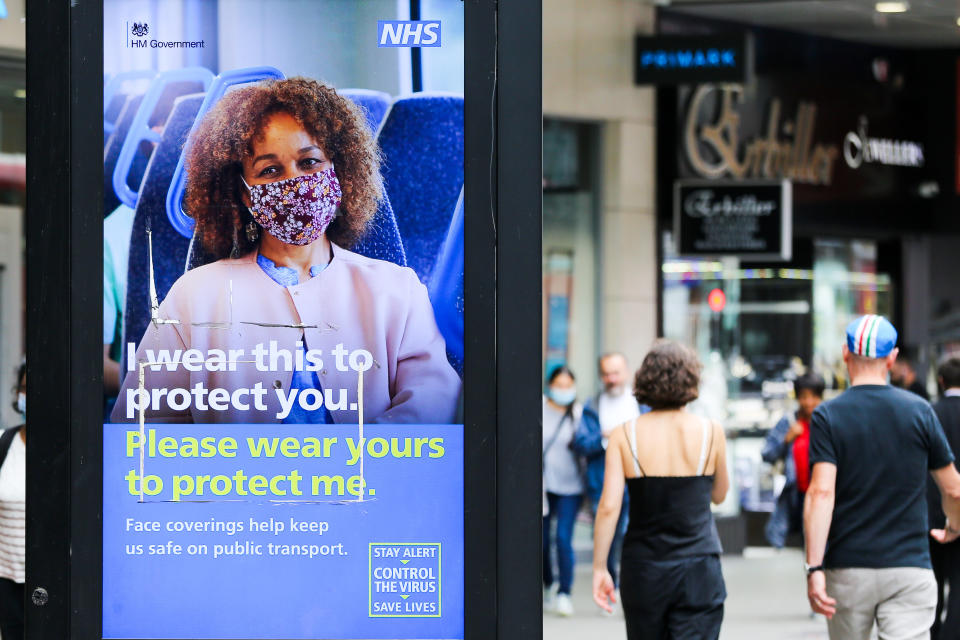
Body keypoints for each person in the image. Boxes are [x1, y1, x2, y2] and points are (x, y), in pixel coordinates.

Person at [111, 78, 461, 424]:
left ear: (338, 173)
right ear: (247, 196)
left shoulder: (396, 288)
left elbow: (433, 402)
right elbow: (141, 426)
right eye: (270, 170)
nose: (293, 181)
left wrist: (353, 464)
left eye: (309, 163)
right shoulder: (194, 296)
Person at [804, 315, 960, 640]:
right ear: (892, 357)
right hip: (909, 567)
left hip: (847, 568)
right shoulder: (920, 411)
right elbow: (954, 489)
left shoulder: (827, 416)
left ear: (846, 354)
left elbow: (821, 493)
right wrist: (954, 526)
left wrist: (814, 568)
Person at [593, 340, 729, 639]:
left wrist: (600, 567)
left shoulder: (623, 435)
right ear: (691, 379)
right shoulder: (711, 432)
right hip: (699, 567)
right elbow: (719, 495)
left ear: (645, 379)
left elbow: (609, 507)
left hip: (644, 568)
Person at [573, 352, 646, 595]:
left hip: (636, 483)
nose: (611, 378)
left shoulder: (641, 405)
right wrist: (605, 436)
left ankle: (631, 586)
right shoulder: (592, 406)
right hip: (602, 481)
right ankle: (610, 585)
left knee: (633, 535)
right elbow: (581, 443)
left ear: (626, 373)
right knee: (607, 536)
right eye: (606, 374)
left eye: (615, 373)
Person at [762, 372, 825, 548]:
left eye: (814, 397)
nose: (809, 402)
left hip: (822, 494)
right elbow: (767, 453)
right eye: (804, 397)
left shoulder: (827, 422)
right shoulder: (788, 422)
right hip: (796, 496)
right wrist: (787, 439)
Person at [542, 365, 584, 617]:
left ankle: (564, 592)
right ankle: (549, 583)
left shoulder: (578, 414)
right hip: (544, 486)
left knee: (564, 538)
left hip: (571, 487)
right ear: (550, 385)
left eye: (568, 386)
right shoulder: (538, 408)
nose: (564, 390)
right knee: (542, 540)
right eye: (559, 385)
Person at [929, 356, 960, 640]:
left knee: (933, 582)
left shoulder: (928, 413)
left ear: (941, 381)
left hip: (932, 514)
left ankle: (933, 632)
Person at [0, 362, 26, 639]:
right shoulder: (4, 443)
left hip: (56, 581)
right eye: (25, 388)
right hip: (7, 584)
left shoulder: (70, 450)